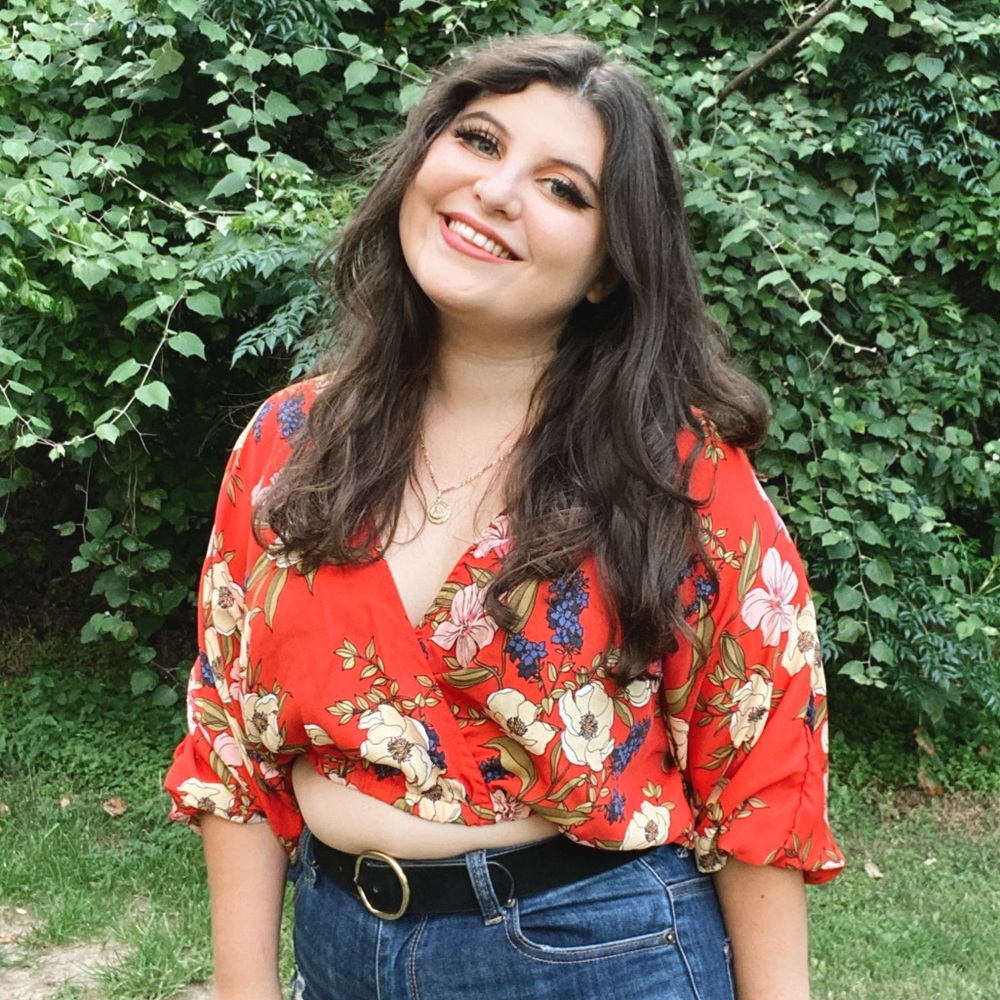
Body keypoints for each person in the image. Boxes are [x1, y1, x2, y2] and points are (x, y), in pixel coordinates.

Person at [166, 33, 844, 1000]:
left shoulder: (679, 475)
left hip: (596, 957)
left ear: (608, 269)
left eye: (565, 189)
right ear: (423, 158)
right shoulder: (287, 442)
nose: (495, 191)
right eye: (480, 142)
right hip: (337, 943)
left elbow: (759, 776)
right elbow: (230, 737)